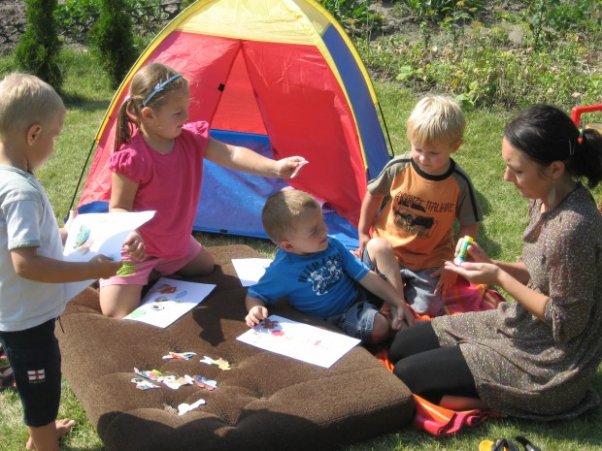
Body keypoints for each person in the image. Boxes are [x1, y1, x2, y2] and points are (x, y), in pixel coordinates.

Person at [389, 104, 602, 419]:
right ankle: (476, 386)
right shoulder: (543, 198)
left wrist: (499, 279)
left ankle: (504, 402)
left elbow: (566, 323)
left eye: (516, 170)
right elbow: (536, 271)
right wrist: (492, 265)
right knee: (402, 346)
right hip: (519, 324)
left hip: (551, 364)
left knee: (409, 374)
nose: (506, 177)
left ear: (556, 169)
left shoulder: (573, 229)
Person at [99, 63, 307, 318]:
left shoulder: (190, 139)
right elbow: (118, 207)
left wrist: (275, 168)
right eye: (177, 113)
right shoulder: (132, 158)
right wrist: (130, 232)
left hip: (174, 244)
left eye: (186, 110)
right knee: (115, 311)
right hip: (137, 250)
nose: (185, 117)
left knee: (206, 267)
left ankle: (159, 268)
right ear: (148, 115)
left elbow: (231, 153)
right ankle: (108, 264)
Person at [0, 73, 121, 451]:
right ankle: (42, 441)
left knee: (43, 381)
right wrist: (91, 270)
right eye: (55, 135)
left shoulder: (11, 178)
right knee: (41, 387)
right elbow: (27, 263)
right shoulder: (20, 192)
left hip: (23, 311)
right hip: (26, 321)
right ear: (34, 134)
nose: (55, 144)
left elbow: (22, 242)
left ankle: (43, 433)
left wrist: (67, 234)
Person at [357, 95, 482, 317]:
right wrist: (363, 233)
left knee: (427, 309)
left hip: (430, 262)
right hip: (388, 253)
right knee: (363, 296)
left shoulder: (459, 183)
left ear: (455, 146)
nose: (424, 158)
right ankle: (393, 303)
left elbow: (469, 226)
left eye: (434, 153)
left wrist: (456, 265)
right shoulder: (398, 167)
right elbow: (373, 195)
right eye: (418, 149)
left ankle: (397, 306)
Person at [244, 189, 415, 344]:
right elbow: (255, 294)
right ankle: (393, 322)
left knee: (380, 246)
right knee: (379, 327)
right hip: (341, 315)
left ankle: (398, 309)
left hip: (359, 291)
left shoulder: (331, 244)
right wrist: (255, 308)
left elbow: (364, 275)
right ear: (288, 246)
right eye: (314, 231)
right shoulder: (282, 271)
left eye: (322, 223)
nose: (324, 231)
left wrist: (395, 300)